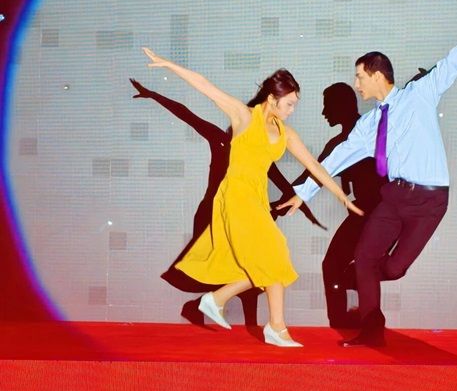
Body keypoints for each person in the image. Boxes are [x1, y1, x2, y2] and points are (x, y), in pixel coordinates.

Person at [279, 12, 457, 347]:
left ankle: (362, 280)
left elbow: (455, 61)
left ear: (377, 75)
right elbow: (335, 159)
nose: (357, 84)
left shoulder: (419, 94)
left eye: (360, 76)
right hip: (394, 198)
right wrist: (303, 192)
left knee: (393, 269)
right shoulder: (368, 126)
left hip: (430, 201)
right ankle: (372, 329)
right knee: (365, 257)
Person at [141, 48, 363, 347]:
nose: (292, 110)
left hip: (256, 200)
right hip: (234, 196)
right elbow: (205, 86)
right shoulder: (244, 116)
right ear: (272, 98)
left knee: (274, 260)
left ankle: (219, 300)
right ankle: (274, 327)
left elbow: (316, 166)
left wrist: (342, 197)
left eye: (294, 105)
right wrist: (169, 65)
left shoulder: (285, 133)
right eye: (289, 104)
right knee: (274, 254)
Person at [275, 83, 385, 328]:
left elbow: (311, 175)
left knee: (338, 266)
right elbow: (312, 175)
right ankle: (356, 319)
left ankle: (345, 321)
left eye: (328, 106)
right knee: (347, 266)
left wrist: (278, 204)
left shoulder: (354, 136)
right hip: (374, 212)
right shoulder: (348, 137)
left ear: (341, 105)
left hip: (374, 212)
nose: (324, 112)